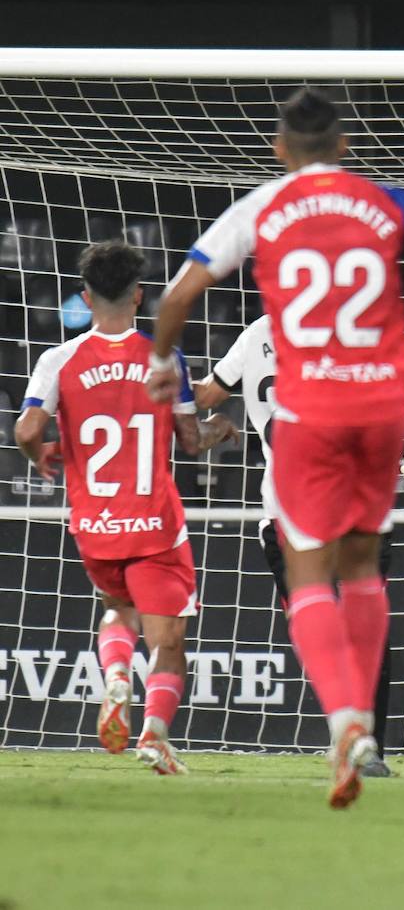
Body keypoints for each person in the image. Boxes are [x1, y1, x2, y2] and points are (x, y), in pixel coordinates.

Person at [145, 87, 404, 808]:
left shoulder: (261, 208)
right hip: (379, 404)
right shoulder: (386, 199)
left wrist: (162, 364)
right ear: (343, 146)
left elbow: (180, 295)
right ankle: (367, 730)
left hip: (312, 415)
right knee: (365, 567)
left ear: (280, 149)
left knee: (309, 578)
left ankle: (345, 725)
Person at [194, 313, 404, 777]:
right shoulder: (353, 329)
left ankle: (352, 737)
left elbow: (206, 396)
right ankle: (365, 744)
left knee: (325, 625)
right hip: (354, 505)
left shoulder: (257, 333)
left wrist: (165, 386)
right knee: (364, 627)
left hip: (286, 511)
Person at [15, 241, 238, 775]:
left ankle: (116, 675)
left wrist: (43, 453)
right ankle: (154, 736)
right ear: (139, 297)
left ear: (85, 298)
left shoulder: (58, 359)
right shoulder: (164, 360)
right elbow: (188, 440)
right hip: (155, 522)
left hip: (95, 523)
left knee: (118, 609)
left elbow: (25, 429)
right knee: (169, 641)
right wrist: (220, 429)